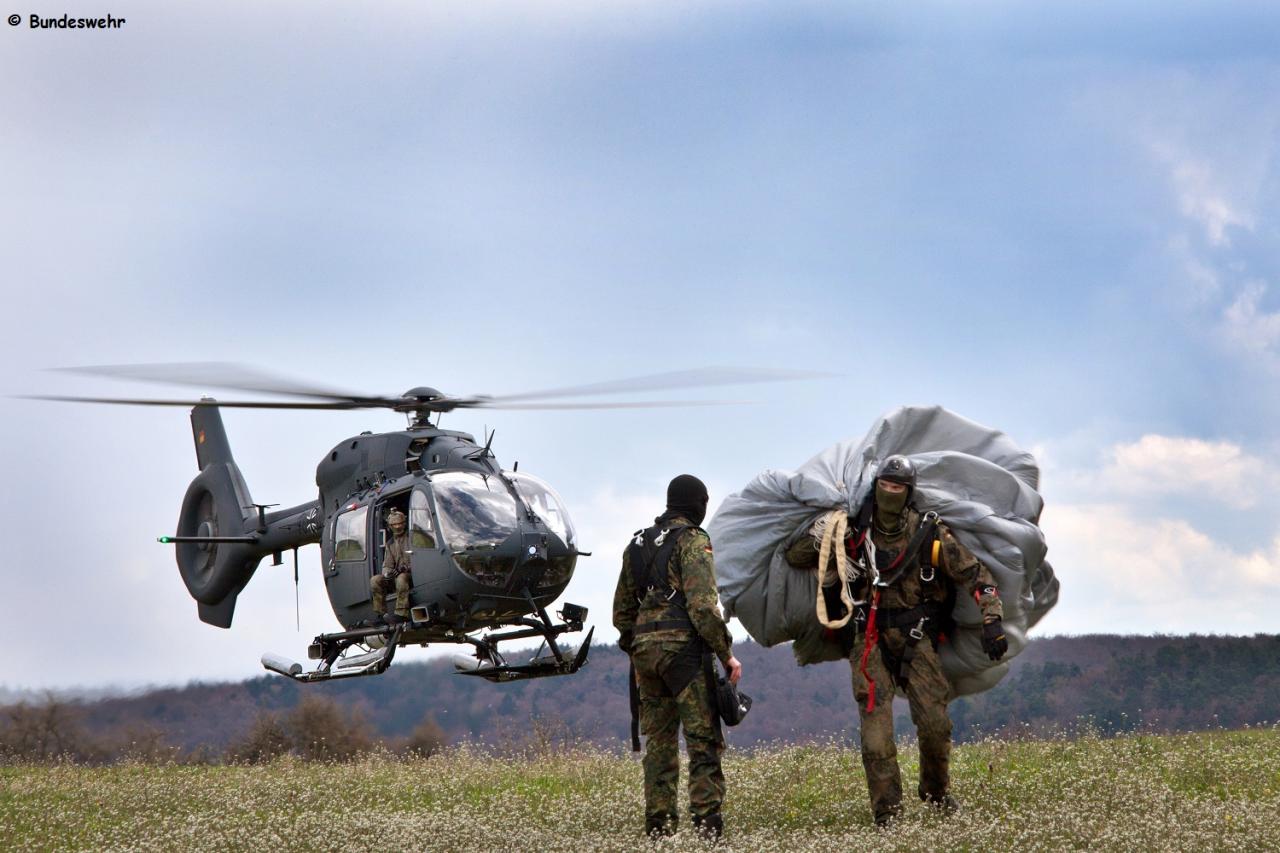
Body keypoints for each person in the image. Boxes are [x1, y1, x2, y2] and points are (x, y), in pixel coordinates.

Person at [784, 455, 1008, 827]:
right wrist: (823, 530)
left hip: (916, 641)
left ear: (909, 492)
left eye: (898, 487)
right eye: (885, 485)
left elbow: (975, 574)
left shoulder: (929, 533)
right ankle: (887, 813)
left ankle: (936, 794)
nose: (891, 492)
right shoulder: (852, 531)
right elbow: (797, 555)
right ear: (875, 488)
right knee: (876, 740)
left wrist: (992, 619)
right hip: (868, 641)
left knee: (936, 726)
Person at [613, 474, 743, 841]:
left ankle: (659, 827)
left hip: (645, 655)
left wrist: (638, 651)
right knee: (703, 742)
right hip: (684, 655)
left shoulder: (636, 543)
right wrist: (727, 654)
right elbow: (703, 607)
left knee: (660, 743)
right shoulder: (693, 540)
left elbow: (621, 614)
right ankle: (708, 827)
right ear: (697, 504)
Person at [370, 508, 412, 625]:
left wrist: (405, 568)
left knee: (401, 578)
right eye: (394, 525)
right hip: (396, 575)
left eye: (400, 524)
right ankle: (380, 614)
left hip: (411, 574)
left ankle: (401, 613)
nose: (397, 527)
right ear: (390, 526)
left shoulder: (412, 538)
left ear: (404, 523)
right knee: (375, 580)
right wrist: (388, 573)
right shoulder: (390, 544)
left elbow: (420, 557)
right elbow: (387, 564)